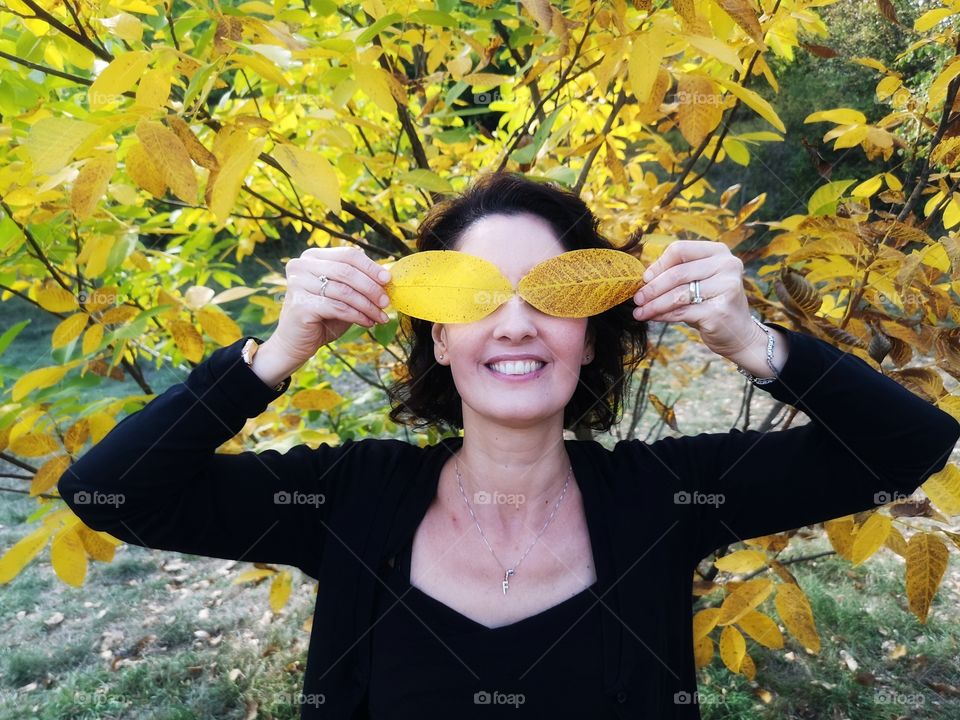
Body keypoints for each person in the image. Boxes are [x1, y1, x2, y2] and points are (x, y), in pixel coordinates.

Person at [60, 172, 960, 719]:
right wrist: (274, 356)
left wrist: (758, 346)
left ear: (590, 336)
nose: (517, 326)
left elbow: (906, 444)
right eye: (478, 298)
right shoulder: (347, 499)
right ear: (439, 339)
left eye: (550, 296)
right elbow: (111, 494)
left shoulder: (670, 496)